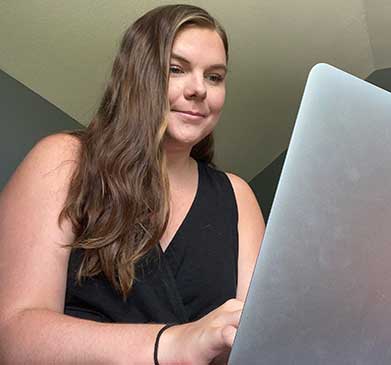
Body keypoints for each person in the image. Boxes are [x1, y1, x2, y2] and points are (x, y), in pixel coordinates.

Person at [0, 4, 265, 364]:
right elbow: (13, 336)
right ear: (137, 74)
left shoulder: (238, 197)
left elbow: (254, 346)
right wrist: (172, 344)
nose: (199, 89)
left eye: (215, 77)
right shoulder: (63, 160)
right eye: (176, 69)